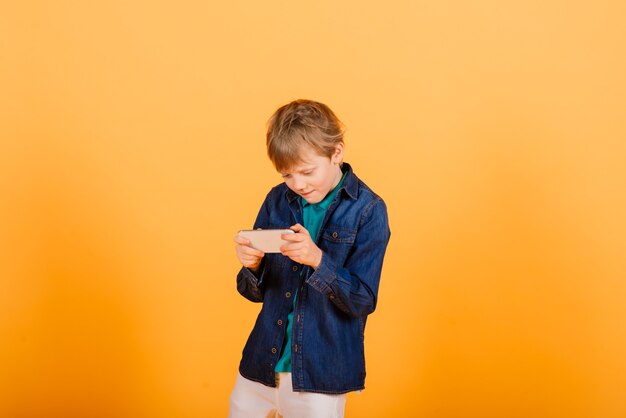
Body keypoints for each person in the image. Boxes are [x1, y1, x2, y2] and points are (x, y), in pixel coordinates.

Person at [229, 99, 391, 418]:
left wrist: (318, 260)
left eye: (306, 172)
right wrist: (253, 266)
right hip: (260, 364)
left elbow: (363, 301)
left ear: (337, 153)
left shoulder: (368, 210)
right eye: (287, 174)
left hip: (319, 375)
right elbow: (251, 293)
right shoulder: (277, 198)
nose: (298, 184)